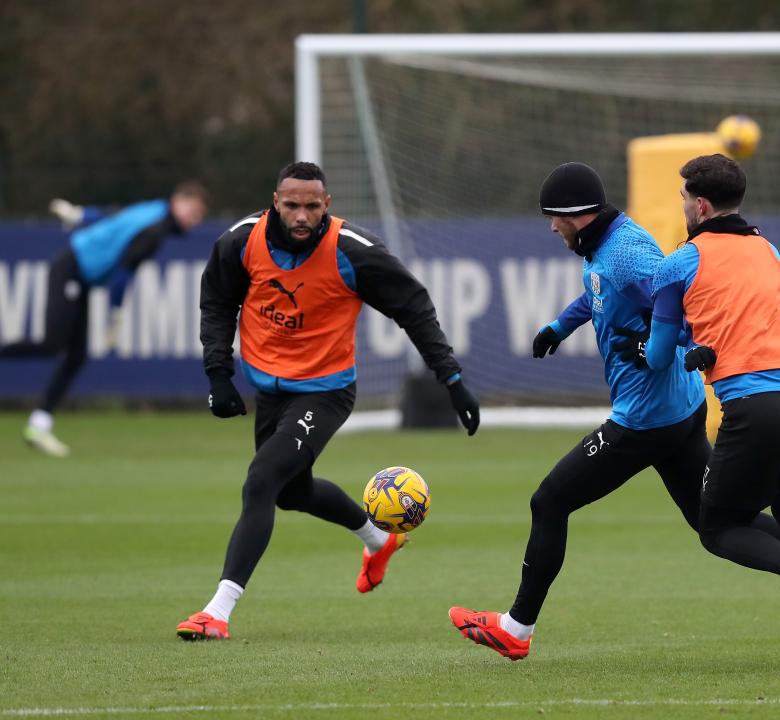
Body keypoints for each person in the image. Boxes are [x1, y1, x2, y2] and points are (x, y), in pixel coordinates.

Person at [447, 162, 780, 660]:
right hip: (679, 411)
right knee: (718, 521)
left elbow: (681, 302)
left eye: (553, 218)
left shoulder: (624, 254)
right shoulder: (608, 243)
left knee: (549, 501)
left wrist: (673, 340)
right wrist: (561, 326)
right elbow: (600, 291)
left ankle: (516, 628)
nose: (550, 227)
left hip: (645, 421)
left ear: (575, 216)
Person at [176, 161, 480, 641]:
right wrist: (218, 372)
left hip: (325, 391)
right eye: (292, 205)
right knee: (291, 492)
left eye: (311, 206)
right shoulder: (240, 242)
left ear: (327, 206)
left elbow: (414, 306)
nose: (301, 216)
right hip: (270, 392)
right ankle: (379, 540)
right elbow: (216, 302)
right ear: (275, 201)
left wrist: (452, 379)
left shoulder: (352, 251)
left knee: (260, 482)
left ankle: (217, 611)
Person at [630, 154, 780, 667]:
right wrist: (700, 339)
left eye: (682, 200)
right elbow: (740, 314)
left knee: (717, 528)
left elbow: (656, 356)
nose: (681, 208)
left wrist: (675, 345)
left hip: (755, 407)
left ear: (699, 205)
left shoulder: (680, 262)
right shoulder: (768, 248)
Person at [0, 182, 210, 457]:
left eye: (198, 216)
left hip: (81, 275)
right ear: (178, 201)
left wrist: (80, 215)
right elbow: (122, 274)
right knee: (52, 344)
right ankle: (38, 423)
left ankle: (39, 425)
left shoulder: (153, 209)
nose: (193, 221)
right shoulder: (155, 231)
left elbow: (112, 217)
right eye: (192, 211)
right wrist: (116, 312)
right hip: (72, 269)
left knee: (76, 354)